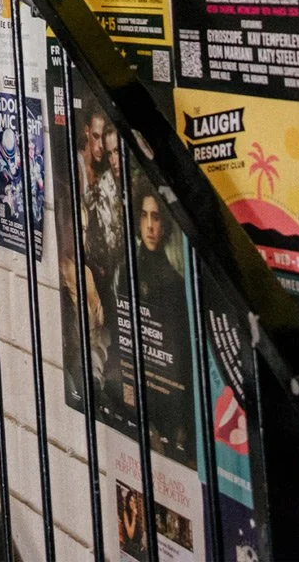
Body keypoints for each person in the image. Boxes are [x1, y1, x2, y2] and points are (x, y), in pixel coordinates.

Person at [135, 188, 195, 463]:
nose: (149, 225)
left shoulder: (174, 280)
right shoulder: (127, 268)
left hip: (171, 389)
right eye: (144, 216)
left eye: (156, 217)